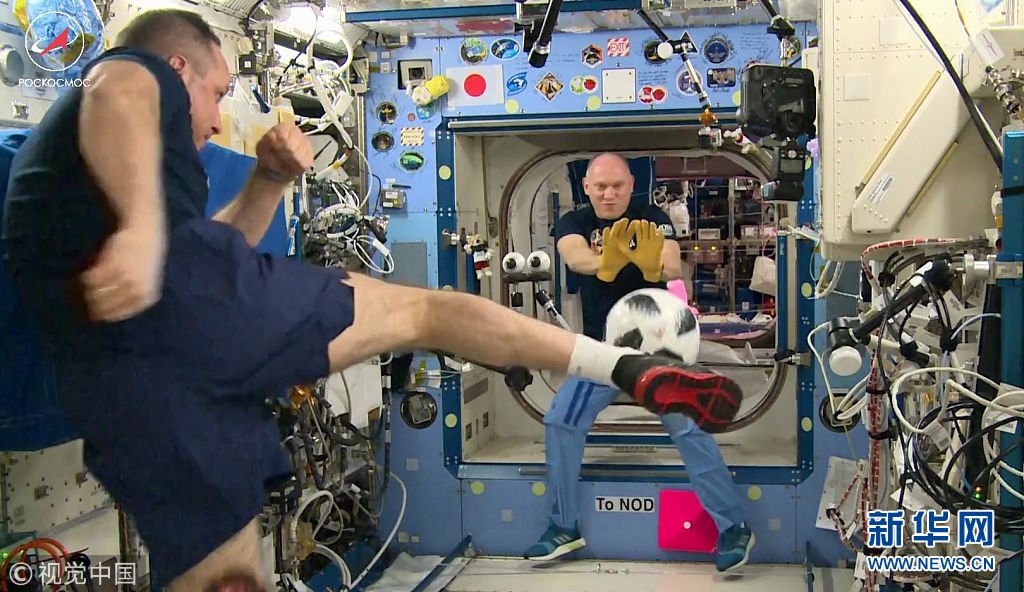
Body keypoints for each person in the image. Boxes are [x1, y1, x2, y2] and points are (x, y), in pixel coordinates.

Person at [0, 10, 743, 592]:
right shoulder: (133, 79)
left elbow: (215, 250)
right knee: (427, 312)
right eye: (219, 92)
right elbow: (118, 88)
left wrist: (266, 181)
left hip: (126, 387)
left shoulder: (107, 181)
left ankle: (646, 398)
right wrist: (137, 228)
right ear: (178, 66)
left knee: (226, 577)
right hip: (184, 317)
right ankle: (621, 368)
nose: (216, 117)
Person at [522, 153, 755, 572]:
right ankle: (563, 527)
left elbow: (671, 266)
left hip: (657, 351)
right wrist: (612, 261)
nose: (609, 194)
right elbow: (576, 259)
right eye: (600, 186)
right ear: (587, 187)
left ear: (631, 184)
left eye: (617, 186)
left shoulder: (653, 217)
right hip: (601, 351)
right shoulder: (574, 221)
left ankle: (734, 527)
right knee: (560, 420)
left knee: (689, 426)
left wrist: (648, 264)